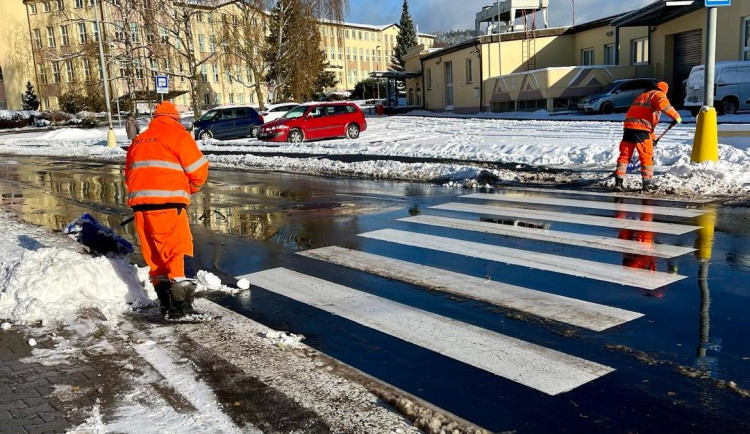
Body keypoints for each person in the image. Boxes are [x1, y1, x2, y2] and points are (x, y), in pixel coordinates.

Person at [125, 102, 209, 318]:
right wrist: (188, 189)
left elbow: (129, 174)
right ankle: (181, 308)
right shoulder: (177, 135)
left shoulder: (140, 140)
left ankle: (165, 305)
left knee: (155, 258)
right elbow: (199, 170)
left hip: (141, 207)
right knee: (176, 252)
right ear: (176, 119)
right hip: (168, 206)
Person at [613, 81, 682, 192]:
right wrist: (676, 116)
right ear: (664, 91)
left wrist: (653, 138)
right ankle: (647, 184)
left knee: (625, 155)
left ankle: (618, 181)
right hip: (641, 130)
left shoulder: (643, 95)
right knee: (646, 156)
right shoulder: (658, 94)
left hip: (629, 128)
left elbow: (644, 120)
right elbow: (664, 105)